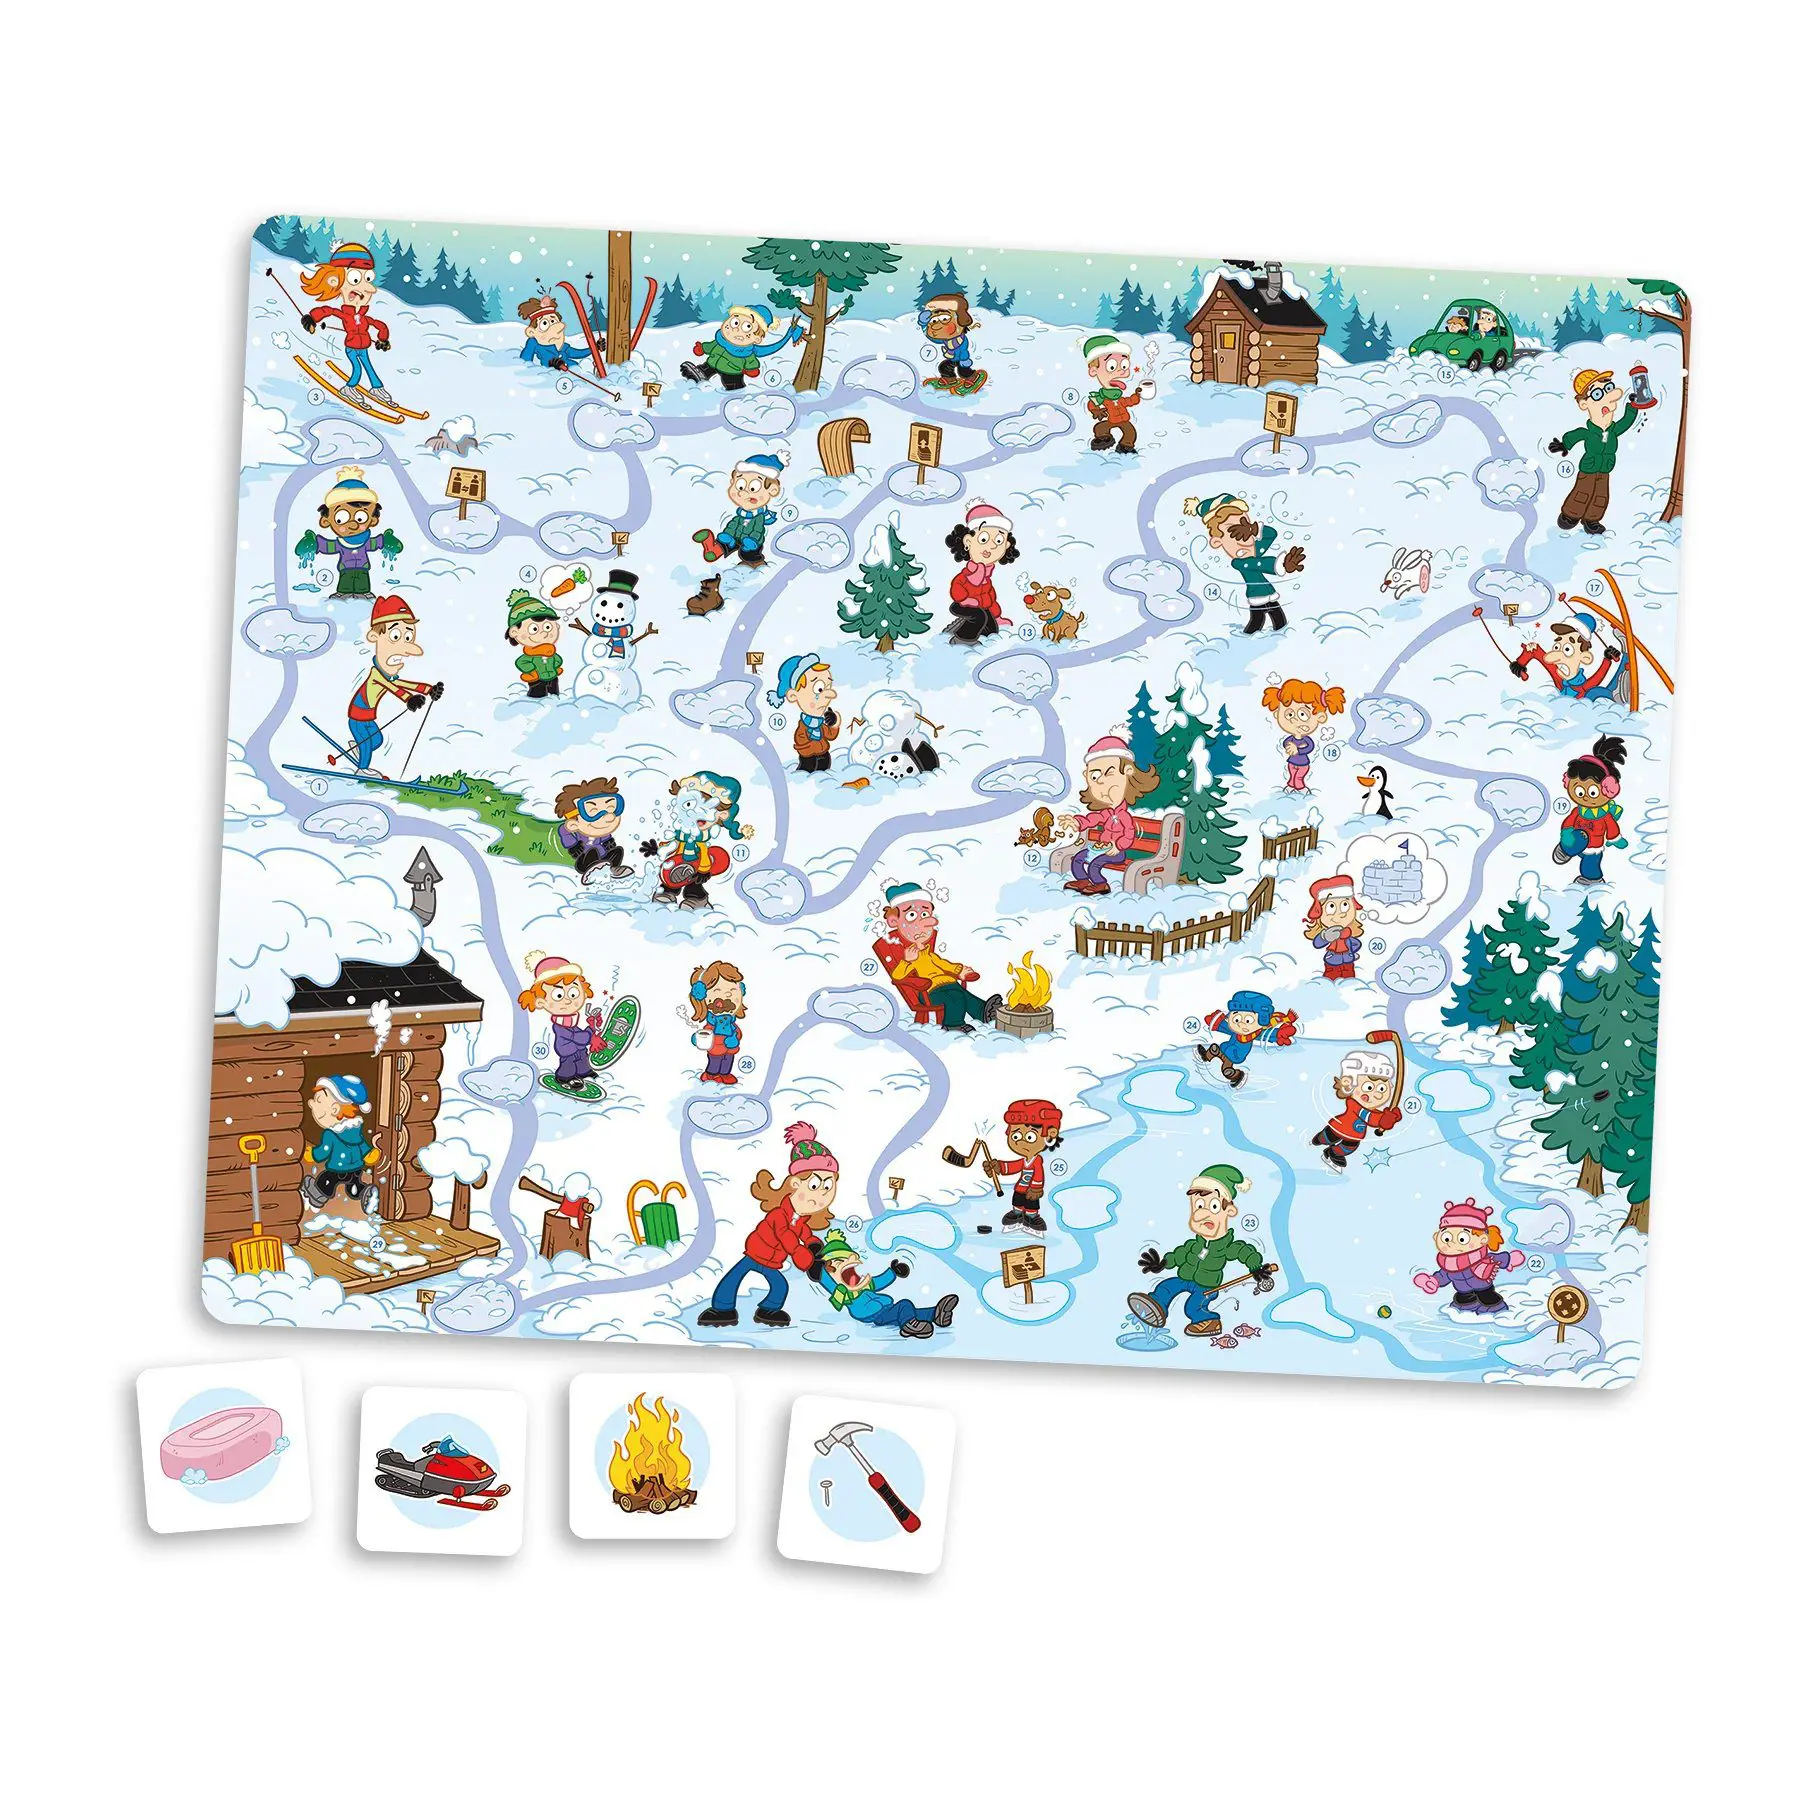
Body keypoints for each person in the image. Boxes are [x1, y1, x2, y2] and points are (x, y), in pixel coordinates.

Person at [697, 1122, 838, 1329]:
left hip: (773, 1261)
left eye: (828, 1186)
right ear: (795, 1184)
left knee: (780, 1286)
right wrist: (807, 1261)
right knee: (733, 1278)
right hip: (755, 1253)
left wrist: (813, 1244)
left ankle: (768, 1310)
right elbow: (788, 1239)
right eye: (815, 1185)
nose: (822, 1196)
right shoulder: (778, 1215)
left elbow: (803, 1232)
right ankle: (722, 1309)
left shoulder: (800, 1219)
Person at [1128, 1165, 1274, 1339]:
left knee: (1193, 1306)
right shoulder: (1194, 1244)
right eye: (1198, 1206)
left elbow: (1245, 1252)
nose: (1202, 1215)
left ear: (1229, 1210)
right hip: (1185, 1278)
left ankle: (1208, 1320)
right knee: (1166, 1286)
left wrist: (1256, 1267)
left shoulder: (1226, 1246)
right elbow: (1179, 1255)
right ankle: (1156, 1306)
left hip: (1206, 1286)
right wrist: (1163, 1263)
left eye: (1213, 1206)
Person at [873, 882, 1003, 1033]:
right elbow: (897, 976)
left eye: (925, 914)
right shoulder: (911, 956)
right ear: (894, 921)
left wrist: (960, 971)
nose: (925, 922)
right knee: (956, 996)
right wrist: (906, 961)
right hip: (929, 992)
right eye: (912, 915)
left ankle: (983, 1011)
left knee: (964, 994)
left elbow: (944, 965)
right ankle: (953, 1024)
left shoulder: (929, 954)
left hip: (948, 984)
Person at [345, 596, 441, 772]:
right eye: (395, 636)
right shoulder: (376, 675)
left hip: (368, 717)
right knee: (367, 745)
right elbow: (394, 688)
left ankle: (357, 749)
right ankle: (362, 769)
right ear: (375, 637)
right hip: (357, 718)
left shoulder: (388, 675)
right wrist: (408, 699)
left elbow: (404, 683)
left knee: (377, 741)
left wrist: (429, 689)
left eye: (408, 637)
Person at [1058, 735, 1159, 895]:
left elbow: (1129, 833)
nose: (1101, 784)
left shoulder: (1124, 816)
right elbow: (1093, 819)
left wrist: (1118, 846)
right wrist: (1078, 822)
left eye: (1109, 774)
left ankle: (1101, 884)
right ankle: (1083, 880)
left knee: (1095, 865)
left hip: (1116, 852)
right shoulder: (1106, 812)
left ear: (1127, 774)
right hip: (1099, 847)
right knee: (1078, 859)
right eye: (1094, 777)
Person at [812, 1231, 960, 1339]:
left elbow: (879, 1281)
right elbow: (829, 1283)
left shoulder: (863, 1284)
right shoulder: (842, 1290)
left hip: (884, 1308)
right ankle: (909, 1325)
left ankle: (936, 1314)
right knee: (904, 1305)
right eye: (840, 1262)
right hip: (873, 1314)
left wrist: (893, 1272)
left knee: (910, 1311)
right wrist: (818, 1271)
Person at [1549, 368, 1644, 535]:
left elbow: (1626, 422)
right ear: (1584, 404)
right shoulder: (1589, 432)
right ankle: (1570, 514)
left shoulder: (1613, 430)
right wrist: (1565, 444)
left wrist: (1632, 407)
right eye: (1598, 394)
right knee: (1582, 493)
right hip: (1588, 469)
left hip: (1605, 470)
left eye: (1608, 388)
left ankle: (1591, 519)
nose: (1607, 396)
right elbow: (1577, 435)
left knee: (1601, 497)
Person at [1193, 494, 1306, 634]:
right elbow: (1258, 564)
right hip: (1256, 596)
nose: (1244, 538)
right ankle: (1247, 641)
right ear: (1217, 542)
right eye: (1233, 532)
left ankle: (1279, 636)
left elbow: (1271, 534)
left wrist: (1255, 529)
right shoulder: (1239, 562)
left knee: (1279, 622)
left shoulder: (1254, 550)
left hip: (1269, 593)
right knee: (1256, 623)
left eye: (1244, 526)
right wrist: (1282, 565)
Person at [298, 242, 393, 405]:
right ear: (336, 282)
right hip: (352, 348)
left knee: (369, 367)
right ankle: (349, 388)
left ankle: (377, 387)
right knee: (358, 369)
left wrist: (383, 339)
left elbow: (379, 325)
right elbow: (328, 311)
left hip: (364, 347)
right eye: (355, 279)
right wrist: (312, 318)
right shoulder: (345, 315)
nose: (370, 289)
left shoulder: (364, 317)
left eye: (368, 279)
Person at [644, 770, 752, 909]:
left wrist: (703, 871)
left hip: (696, 866)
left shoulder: (701, 841)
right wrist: (659, 849)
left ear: (723, 815)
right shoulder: (683, 833)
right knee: (670, 880)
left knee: (694, 885)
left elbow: (704, 854)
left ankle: (698, 900)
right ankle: (667, 893)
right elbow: (673, 844)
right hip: (677, 863)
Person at [293, 466, 402, 600]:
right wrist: (314, 543)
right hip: (345, 568)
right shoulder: (340, 543)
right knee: (345, 581)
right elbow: (328, 546)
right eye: (341, 518)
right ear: (326, 520)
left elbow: (377, 543)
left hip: (363, 567)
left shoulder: (366, 541)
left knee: (362, 580)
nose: (353, 524)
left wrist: (386, 540)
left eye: (360, 518)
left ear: (373, 519)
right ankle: (344, 592)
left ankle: (363, 592)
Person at [516, 951, 608, 1098]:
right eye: (558, 995)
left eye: (573, 993)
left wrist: (591, 1026)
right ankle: (564, 1078)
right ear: (541, 1002)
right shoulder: (559, 1026)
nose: (568, 1000)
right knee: (569, 1064)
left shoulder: (572, 1021)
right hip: (567, 1049)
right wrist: (590, 1035)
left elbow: (578, 1033)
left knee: (582, 1058)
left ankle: (584, 1071)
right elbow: (575, 1036)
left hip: (578, 1047)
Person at [1413, 1199, 1526, 1316]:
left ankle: (1496, 1311)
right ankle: (1466, 1311)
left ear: (1483, 1239)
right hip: (1463, 1294)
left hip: (1485, 1291)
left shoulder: (1483, 1259)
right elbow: (1443, 1275)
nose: (1452, 1243)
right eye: (1446, 1238)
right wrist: (1433, 1281)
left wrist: (1510, 1259)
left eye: (1462, 1239)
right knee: (1462, 1303)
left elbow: (1497, 1259)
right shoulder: (1448, 1265)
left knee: (1490, 1300)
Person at [1552, 735, 1627, 884]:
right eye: (1579, 792)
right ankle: (1565, 850)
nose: (1585, 797)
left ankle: (1592, 879)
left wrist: (1616, 839)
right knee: (1577, 837)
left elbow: (1612, 827)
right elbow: (1568, 823)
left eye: (1592, 792)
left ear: (1607, 789)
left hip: (1594, 847)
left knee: (1590, 866)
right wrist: (1566, 835)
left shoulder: (1604, 815)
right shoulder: (1578, 811)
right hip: (1576, 841)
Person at [1312, 1045, 1403, 1170]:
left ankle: (1332, 1153)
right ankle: (1319, 1139)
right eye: (1369, 1087)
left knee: (1347, 1148)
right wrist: (1383, 1120)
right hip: (1339, 1128)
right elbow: (1370, 1118)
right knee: (1327, 1137)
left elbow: (1376, 1116)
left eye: (1382, 1089)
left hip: (1355, 1136)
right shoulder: (1354, 1104)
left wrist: (1392, 1118)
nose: (1377, 1095)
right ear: (1350, 1086)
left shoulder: (1372, 1109)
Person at [680, 302, 804, 390]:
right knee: (705, 368)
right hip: (712, 362)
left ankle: (736, 392)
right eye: (735, 322)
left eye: (747, 327)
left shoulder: (746, 352)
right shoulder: (721, 340)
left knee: (733, 384)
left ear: (757, 339)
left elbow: (750, 362)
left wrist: (751, 369)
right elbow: (712, 346)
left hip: (732, 371)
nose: (736, 329)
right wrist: (702, 348)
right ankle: (699, 375)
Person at [300, 1075, 380, 1209]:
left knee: (325, 1180)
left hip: (336, 1169)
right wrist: (368, 1154)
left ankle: (317, 1196)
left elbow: (324, 1151)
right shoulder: (355, 1131)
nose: (311, 1103)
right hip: (356, 1169)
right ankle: (364, 1194)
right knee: (353, 1187)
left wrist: (312, 1154)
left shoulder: (330, 1134)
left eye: (318, 1100)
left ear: (334, 1109)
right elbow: (361, 1145)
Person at [943, 501, 1018, 643]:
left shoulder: (986, 579)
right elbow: (957, 586)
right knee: (979, 617)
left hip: (980, 606)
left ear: (1006, 546)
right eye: (984, 539)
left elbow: (990, 598)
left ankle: (968, 630)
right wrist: (965, 600)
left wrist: (997, 616)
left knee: (991, 629)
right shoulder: (967, 575)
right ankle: (961, 639)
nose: (991, 546)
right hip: (962, 604)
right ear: (968, 542)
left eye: (999, 541)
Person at [984, 1099, 1063, 1233]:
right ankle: (1017, 1213)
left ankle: (1032, 1217)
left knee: (1031, 1204)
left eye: (1030, 1137)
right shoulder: (1024, 1161)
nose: (1020, 1142)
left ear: (1050, 1135)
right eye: (1016, 1136)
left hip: (1031, 1190)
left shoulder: (1036, 1161)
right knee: (1017, 1200)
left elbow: (1039, 1175)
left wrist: (1036, 1189)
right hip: (1020, 1188)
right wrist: (998, 1167)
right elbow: (1013, 1166)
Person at [692, 453, 785, 567]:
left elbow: (758, 530)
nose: (743, 492)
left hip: (751, 543)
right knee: (723, 545)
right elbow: (733, 524)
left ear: (772, 490)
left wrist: (752, 540)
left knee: (749, 553)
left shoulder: (759, 517)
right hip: (735, 537)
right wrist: (728, 534)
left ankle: (754, 563)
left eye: (753, 488)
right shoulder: (741, 515)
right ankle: (710, 545)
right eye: (740, 486)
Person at [1195, 990, 1298, 1088]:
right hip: (1226, 1048)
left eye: (1248, 1020)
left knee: (1226, 1068)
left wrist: (1279, 1034)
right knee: (1215, 1049)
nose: (1241, 1024)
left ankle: (1236, 1075)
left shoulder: (1255, 1033)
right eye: (1236, 1019)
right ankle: (1207, 1056)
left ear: (1262, 1021)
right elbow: (1226, 1028)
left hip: (1235, 1055)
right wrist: (1217, 1022)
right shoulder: (1236, 1030)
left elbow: (1267, 1035)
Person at [1261, 677, 1346, 792]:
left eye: (1302, 714)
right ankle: (1291, 786)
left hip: (1303, 763)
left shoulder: (1307, 740)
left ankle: (1300, 788)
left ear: (1320, 717)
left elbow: (1310, 747)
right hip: (1291, 761)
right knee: (1292, 774)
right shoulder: (1291, 738)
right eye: (1289, 714)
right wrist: (1289, 747)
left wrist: (1298, 750)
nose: (1294, 720)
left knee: (1299, 776)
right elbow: (1286, 743)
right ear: (1277, 714)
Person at [1508, 614, 1620, 700]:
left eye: (1567, 649)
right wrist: (1519, 664)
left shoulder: (1583, 688)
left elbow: (1598, 677)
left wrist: (1607, 659)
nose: (1556, 655)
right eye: (1557, 647)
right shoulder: (1560, 678)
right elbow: (1536, 651)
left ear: (1585, 658)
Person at [552, 776, 633, 883]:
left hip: (603, 855)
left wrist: (607, 840)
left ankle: (613, 869)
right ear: (574, 821)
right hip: (585, 858)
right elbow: (564, 832)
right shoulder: (576, 830)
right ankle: (592, 870)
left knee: (617, 851)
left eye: (610, 808)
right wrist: (573, 845)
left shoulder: (598, 831)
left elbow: (603, 832)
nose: (607, 817)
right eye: (593, 811)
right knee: (592, 853)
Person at [769, 654, 841, 773]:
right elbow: (800, 740)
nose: (831, 695)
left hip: (824, 755)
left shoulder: (820, 724)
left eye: (829, 687)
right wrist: (812, 747)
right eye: (819, 689)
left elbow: (830, 735)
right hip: (808, 757)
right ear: (793, 695)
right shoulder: (804, 726)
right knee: (806, 774)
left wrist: (835, 723)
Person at [1083, 332, 1145, 453]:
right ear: (1094, 371)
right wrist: (1096, 410)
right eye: (1111, 366)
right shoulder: (1102, 397)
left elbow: (1128, 401)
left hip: (1124, 420)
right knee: (1100, 427)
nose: (1121, 372)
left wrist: (1137, 395)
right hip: (1111, 419)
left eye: (1124, 366)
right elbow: (1093, 403)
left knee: (1130, 433)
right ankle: (1103, 438)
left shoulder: (1119, 397)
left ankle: (1125, 445)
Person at [689, 961, 747, 1084]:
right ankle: (711, 1074)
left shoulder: (731, 1020)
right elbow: (707, 1031)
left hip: (730, 1048)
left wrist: (736, 1037)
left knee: (728, 1061)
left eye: (733, 990)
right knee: (714, 1062)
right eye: (717, 991)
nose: (728, 994)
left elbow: (737, 1031)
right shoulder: (712, 1022)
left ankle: (725, 1074)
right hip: (715, 1048)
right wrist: (697, 1039)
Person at [1303, 874, 1366, 981]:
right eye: (1331, 906)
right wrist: (1325, 937)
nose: (1340, 913)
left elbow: (1356, 943)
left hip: (1349, 962)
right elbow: (1317, 943)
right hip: (1332, 963)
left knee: (1349, 980)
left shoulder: (1348, 933)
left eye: (1345, 905)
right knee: (1330, 980)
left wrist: (1352, 952)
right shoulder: (1328, 934)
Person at [504, 589, 564, 698]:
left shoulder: (551, 652)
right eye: (534, 629)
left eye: (548, 627)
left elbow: (557, 659)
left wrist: (555, 667)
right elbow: (521, 662)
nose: (544, 633)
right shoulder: (530, 655)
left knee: (554, 695)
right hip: (537, 680)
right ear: (514, 632)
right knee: (537, 695)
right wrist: (532, 670)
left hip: (552, 677)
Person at [919, 290, 980, 385]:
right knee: (944, 367)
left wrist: (964, 359)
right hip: (952, 358)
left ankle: (972, 376)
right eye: (934, 321)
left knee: (963, 371)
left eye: (944, 319)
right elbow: (931, 337)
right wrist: (923, 324)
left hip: (962, 358)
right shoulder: (945, 340)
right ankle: (950, 379)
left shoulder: (961, 340)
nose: (936, 325)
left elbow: (963, 349)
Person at [516, 294, 591, 370]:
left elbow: (577, 353)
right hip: (553, 373)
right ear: (532, 332)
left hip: (575, 371)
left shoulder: (562, 346)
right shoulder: (536, 344)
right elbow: (525, 361)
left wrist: (593, 349)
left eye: (553, 321)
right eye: (544, 323)